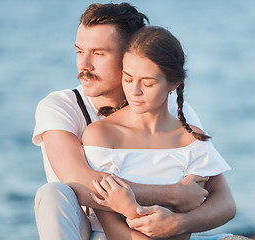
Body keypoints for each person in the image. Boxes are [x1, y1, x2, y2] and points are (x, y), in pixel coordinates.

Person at [32, 2, 235, 240]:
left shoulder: (175, 111)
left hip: (167, 231)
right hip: (89, 228)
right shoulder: (62, 106)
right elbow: (79, 182)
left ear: (129, 54)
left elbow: (221, 197)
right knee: (53, 193)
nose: (83, 65)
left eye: (98, 53)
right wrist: (174, 194)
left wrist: (179, 222)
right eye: (79, 51)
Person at [81, 25, 235, 240]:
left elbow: (226, 205)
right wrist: (131, 209)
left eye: (148, 83)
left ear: (173, 83)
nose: (134, 91)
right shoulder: (102, 136)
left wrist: (178, 223)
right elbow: (113, 229)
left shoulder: (190, 139)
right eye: (127, 78)